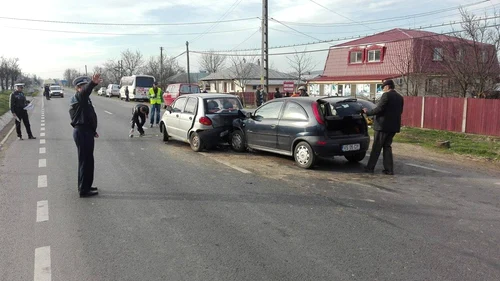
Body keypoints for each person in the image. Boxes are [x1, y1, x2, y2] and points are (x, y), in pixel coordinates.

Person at [363, 79, 404, 175]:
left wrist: (367, 112)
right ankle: (389, 169)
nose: (383, 90)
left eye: (383, 88)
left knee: (376, 147)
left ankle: (370, 168)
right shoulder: (400, 97)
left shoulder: (386, 95)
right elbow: (400, 111)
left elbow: (379, 109)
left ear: (387, 87)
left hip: (382, 126)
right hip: (393, 126)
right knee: (387, 147)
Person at [69, 74, 101, 198]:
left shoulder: (84, 99)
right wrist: (92, 83)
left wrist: (93, 130)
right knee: (84, 161)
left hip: (86, 131)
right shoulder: (79, 97)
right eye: (83, 86)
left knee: (89, 161)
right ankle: (83, 189)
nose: (85, 88)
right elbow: (85, 92)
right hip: (82, 132)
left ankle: (87, 185)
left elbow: (88, 116)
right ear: (78, 88)